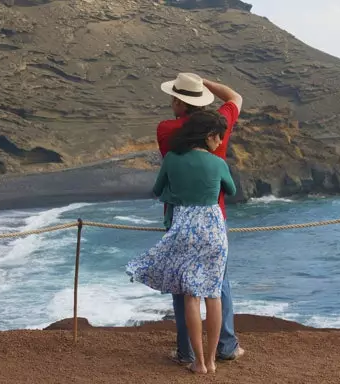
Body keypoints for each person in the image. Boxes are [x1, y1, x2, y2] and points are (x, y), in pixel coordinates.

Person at [126, 111, 237, 374]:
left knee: (191, 296)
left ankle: (198, 362)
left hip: (184, 226)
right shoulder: (217, 161)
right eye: (219, 137)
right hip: (213, 228)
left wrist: (175, 194)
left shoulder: (172, 159)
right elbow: (231, 190)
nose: (221, 142)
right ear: (209, 136)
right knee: (214, 295)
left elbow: (157, 190)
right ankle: (212, 361)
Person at [156, 73, 245, 364]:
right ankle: (226, 346)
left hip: (178, 216)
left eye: (174, 98)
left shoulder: (166, 130)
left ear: (181, 102)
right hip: (214, 217)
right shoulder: (218, 126)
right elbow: (235, 97)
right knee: (219, 283)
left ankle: (187, 352)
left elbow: (160, 186)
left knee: (183, 284)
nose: (171, 102)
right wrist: (203, 83)